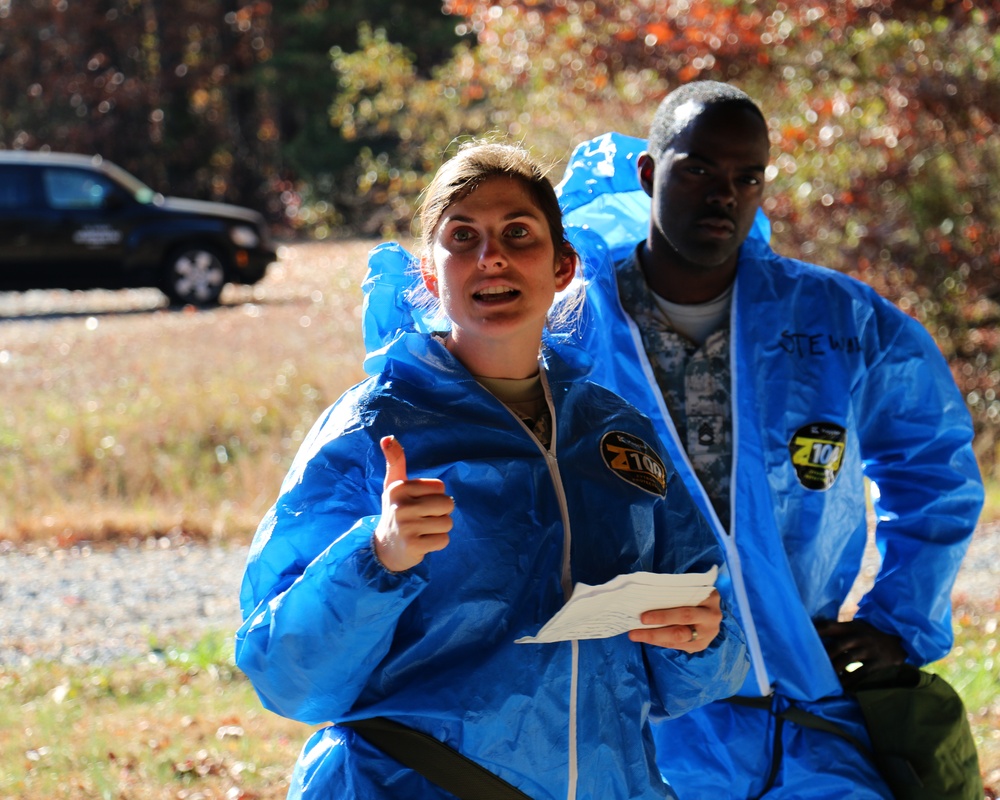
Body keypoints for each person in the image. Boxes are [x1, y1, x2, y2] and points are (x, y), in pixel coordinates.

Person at [235, 139, 749, 799]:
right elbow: (286, 673)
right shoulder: (370, 431)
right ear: (428, 273)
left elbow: (697, 666)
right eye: (463, 236)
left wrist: (701, 637)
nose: (493, 256)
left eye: (517, 233)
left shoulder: (616, 432)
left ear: (563, 266)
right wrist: (376, 556)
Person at [554, 81, 984, 798]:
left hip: (806, 714)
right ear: (648, 173)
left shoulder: (836, 320)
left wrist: (897, 620)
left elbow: (933, 462)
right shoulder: (572, 327)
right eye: (697, 169)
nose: (723, 194)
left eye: (746, 176)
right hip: (643, 723)